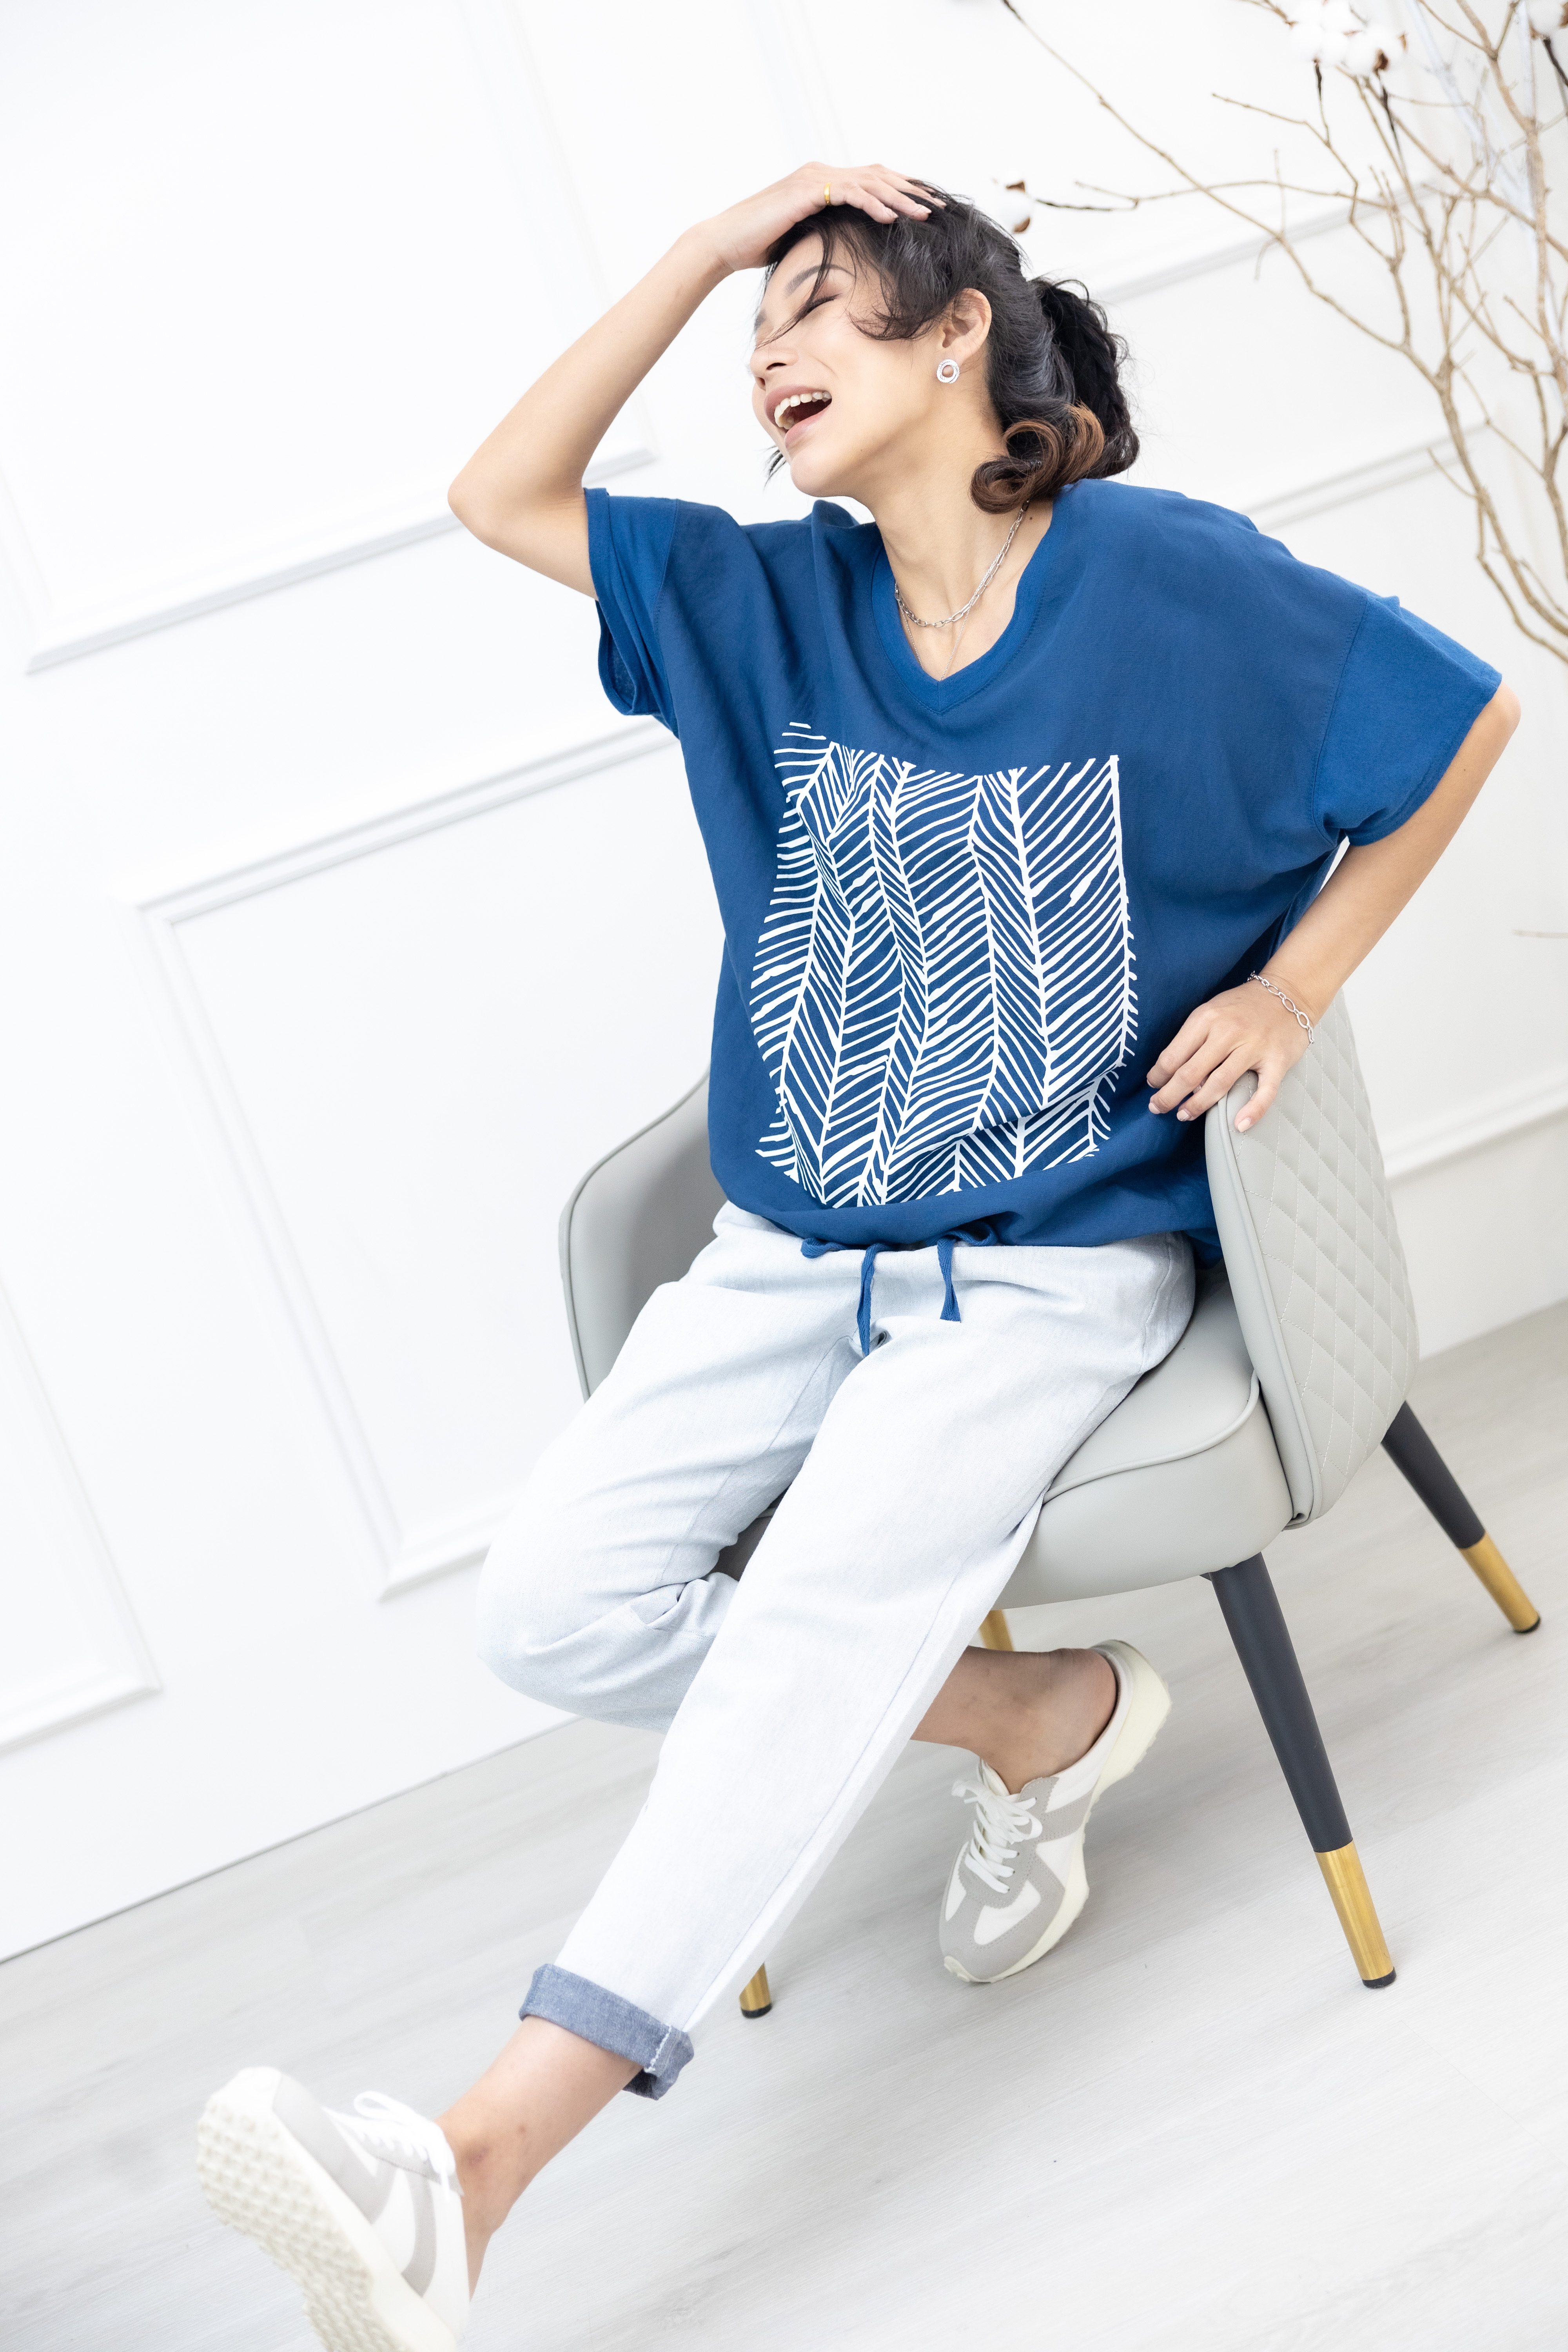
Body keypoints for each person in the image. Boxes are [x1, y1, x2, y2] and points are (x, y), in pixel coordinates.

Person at [195, 163, 1517, 2352]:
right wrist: (709, 245)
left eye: (816, 309)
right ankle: (1044, 1717)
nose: (769, 357)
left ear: (957, 334)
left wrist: (1296, 986)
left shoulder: (1163, 581)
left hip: (1051, 1265)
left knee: (814, 1616)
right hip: (792, 1252)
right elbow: (498, 490)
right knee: (552, 1606)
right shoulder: (761, 603)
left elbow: (1458, 721)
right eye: (758, 329)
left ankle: (470, 2170)